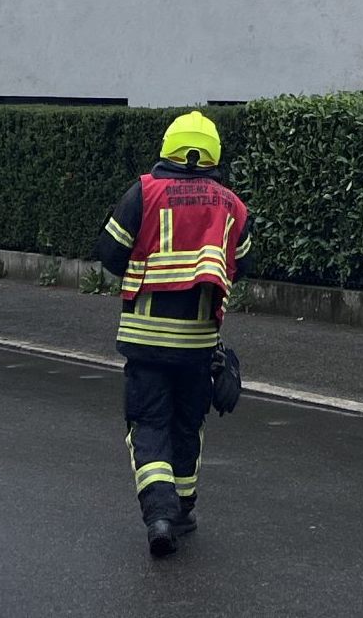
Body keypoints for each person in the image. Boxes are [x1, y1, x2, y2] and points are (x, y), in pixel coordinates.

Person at [94, 110, 251, 556]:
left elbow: (109, 252)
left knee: (148, 425)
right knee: (187, 425)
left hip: (145, 341)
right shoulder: (231, 205)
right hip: (198, 345)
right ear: (214, 154)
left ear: (168, 148)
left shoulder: (144, 192)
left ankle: (158, 515)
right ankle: (182, 510)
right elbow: (245, 263)